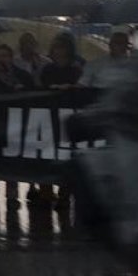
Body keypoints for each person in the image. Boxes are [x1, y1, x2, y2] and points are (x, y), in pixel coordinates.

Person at [0, 44, 34, 210]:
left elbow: (34, 94)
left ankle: (12, 195)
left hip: (15, 125)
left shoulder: (22, 76)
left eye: (5, 55)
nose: (1, 59)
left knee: (12, 161)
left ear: (11, 58)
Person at [34, 32, 82, 209]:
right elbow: (38, 88)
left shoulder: (75, 69)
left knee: (66, 154)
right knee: (45, 154)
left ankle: (64, 193)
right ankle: (46, 191)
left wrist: (69, 88)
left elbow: (81, 88)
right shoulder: (47, 69)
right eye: (56, 47)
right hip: (48, 118)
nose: (58, 51)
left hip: (67, 118)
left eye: (61, 47)